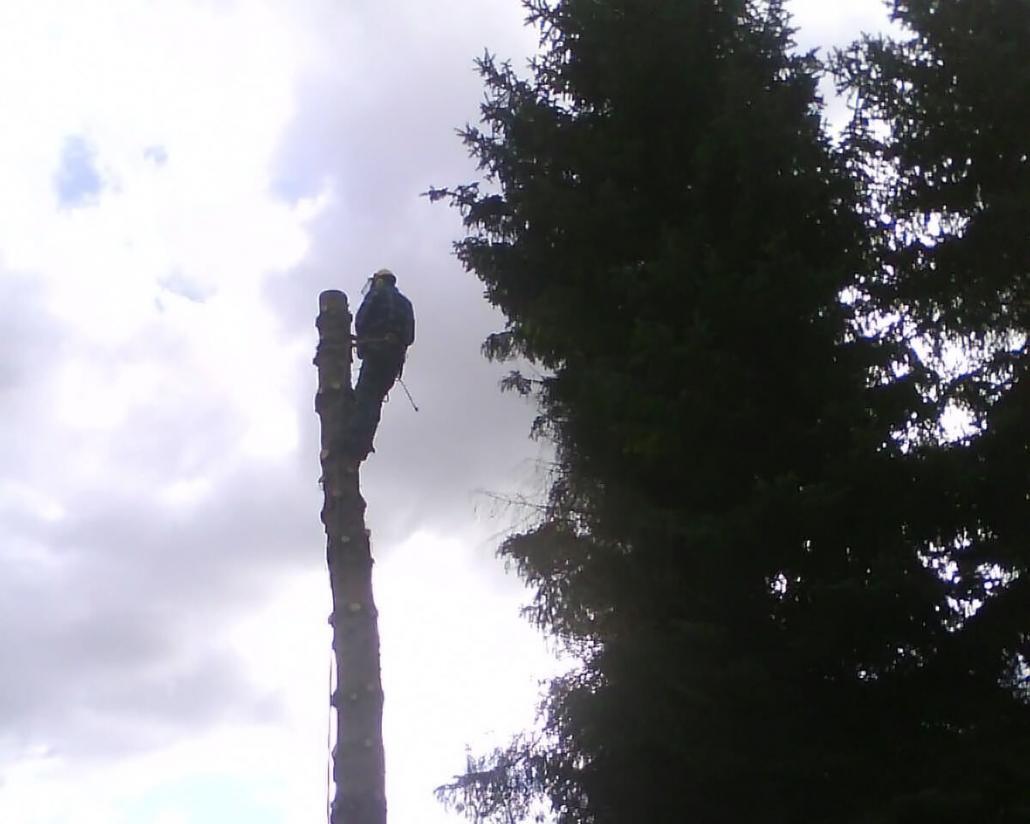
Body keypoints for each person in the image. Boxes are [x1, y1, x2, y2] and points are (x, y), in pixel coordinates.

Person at [344, 268, 415, 461]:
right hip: (394, 359)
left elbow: (361, 319)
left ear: (380, 281)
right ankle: (365, 442)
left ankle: (352, 441)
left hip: (376, 351)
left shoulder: (377, 294)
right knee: (375, 401)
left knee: (364, 396)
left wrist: (362, 345)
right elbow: (410, 336)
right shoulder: (406, 303)